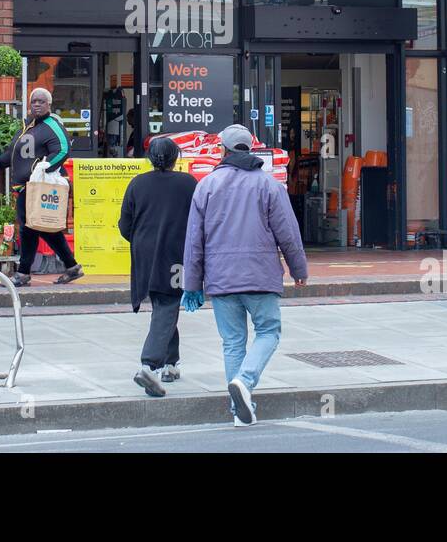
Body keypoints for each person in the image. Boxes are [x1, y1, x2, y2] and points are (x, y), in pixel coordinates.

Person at [182, 123, 308, 427]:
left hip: (221, 278)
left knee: (233, 342)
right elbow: (288, 233)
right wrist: (298, 269)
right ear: (250, 149)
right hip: (260, 276)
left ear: (222, 150)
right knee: (268, 332)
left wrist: (192, 283)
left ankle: (239, 409)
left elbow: (194, 240)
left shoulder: (207, 186)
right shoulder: (269, 185)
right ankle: (245, 381)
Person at [0, 86, 83, 287]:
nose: (36, 105)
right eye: (33, 101)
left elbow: (63, 150)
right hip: (26, 187)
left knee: (29, 228)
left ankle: (23, 273)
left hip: (38, 187)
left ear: (49, 104)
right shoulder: (27, 127)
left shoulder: (52, 126)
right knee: (43, 228)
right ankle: (72, 267)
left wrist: (43, 168)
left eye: (41, 101)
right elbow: (12, 154)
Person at [118, 136, 197, 397]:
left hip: (144, 253)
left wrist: (142, 240)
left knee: (163, 304)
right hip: (175, 254)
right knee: (168, 304)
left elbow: (125, 225)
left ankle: (171, 364)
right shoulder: (188, 183)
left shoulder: (137, 183)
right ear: (175, 158)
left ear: (149, 158)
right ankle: (149, 365)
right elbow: (199, 220)